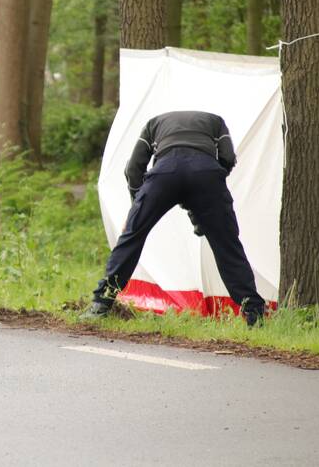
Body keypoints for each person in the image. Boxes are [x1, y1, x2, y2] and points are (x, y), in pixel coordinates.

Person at [84, 110, 266, 326]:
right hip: (207, 175)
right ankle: (254, 313)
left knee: (132, 237)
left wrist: (137, 210)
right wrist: (209, 193)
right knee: (228, 246)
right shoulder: (216, 122)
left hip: (164, 174)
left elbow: (133, 168)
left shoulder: (153, 123)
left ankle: (100, 305)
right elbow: (227, 157)